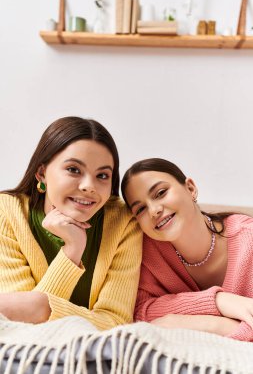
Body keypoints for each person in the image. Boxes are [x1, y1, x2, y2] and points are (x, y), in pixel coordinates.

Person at [0, 116, 142, 330]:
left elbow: (116, 322)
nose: (89, 186)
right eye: (74, 169)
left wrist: (42, 306)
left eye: (102, 175)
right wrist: (72, 251)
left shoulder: (124, 222)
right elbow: (17, 325)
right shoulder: (7, 213)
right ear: (42, 172)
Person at [121, 158, 253, 341]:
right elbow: (140, 312)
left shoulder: (248, 238)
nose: (153, 211)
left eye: (160, 193)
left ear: (190, 188)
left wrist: (213, 326)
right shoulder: (147, 254)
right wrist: (218, 305)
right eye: (141, 209)